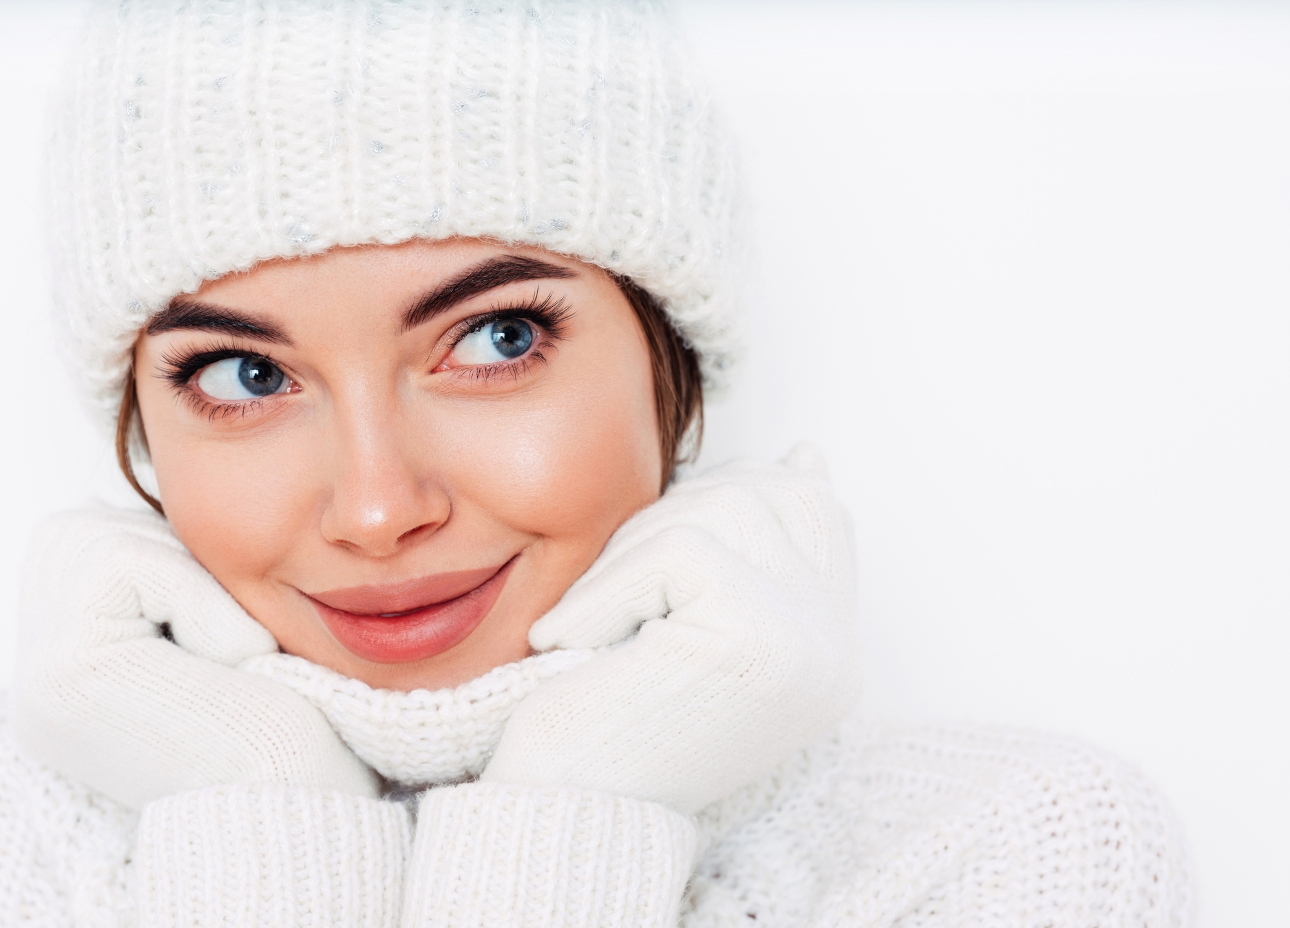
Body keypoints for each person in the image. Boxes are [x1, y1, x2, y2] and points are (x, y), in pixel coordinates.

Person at [0, 1, 1192, 925]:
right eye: (246, 377)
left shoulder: (1001, 850)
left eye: (496, 340)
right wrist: (251, 804)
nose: (376, 507)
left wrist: (582, 803)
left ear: (671, 357)